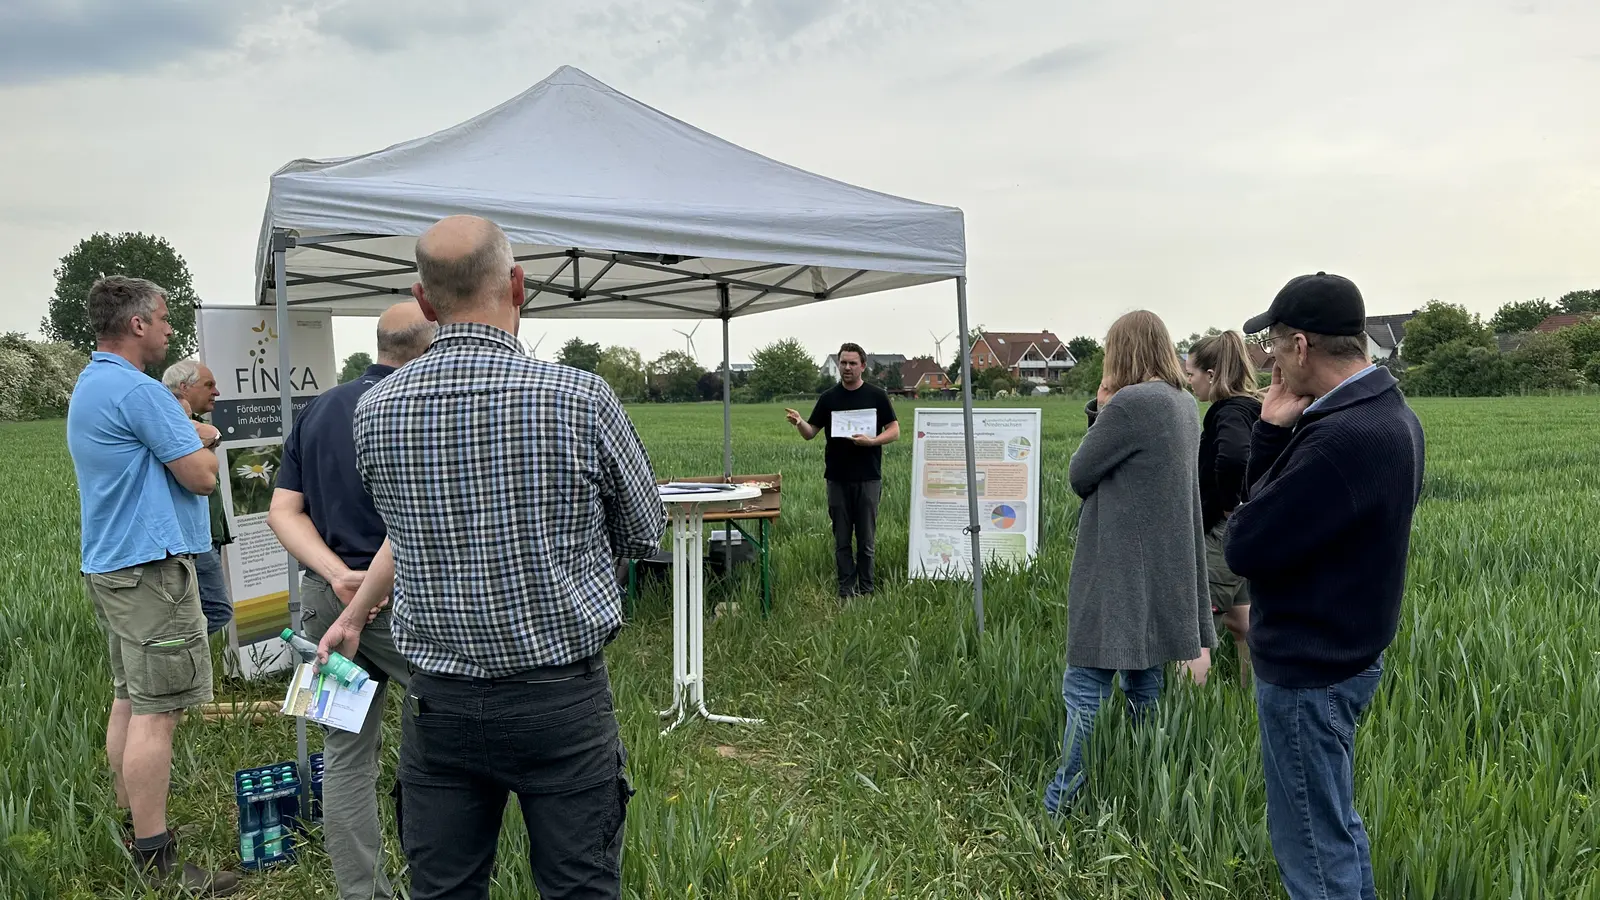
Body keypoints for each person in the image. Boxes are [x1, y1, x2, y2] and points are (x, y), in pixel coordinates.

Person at [314, 215, 665, 900]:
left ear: (423, 301)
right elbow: (643, 528)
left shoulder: (376, 410)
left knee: (444, 890)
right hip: (561, 696)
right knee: (580, 888)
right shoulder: (581, 396)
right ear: (518, 286)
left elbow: (402, 532)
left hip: (440, 702)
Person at [1226, 273, 1424, 900]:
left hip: (1311, 666)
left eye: (1277, 345)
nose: (1271, 360)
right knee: (1334, 828)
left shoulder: (1341, 437)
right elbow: (1268, 518)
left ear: (1303, 346)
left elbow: (1246, 543)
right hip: (1345, 652)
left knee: (1312, 849)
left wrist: (1269, 431)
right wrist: (1278, 432)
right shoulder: (1386, 413)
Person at [65, 276, 241, 895]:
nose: (170, 329)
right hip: (152, 568)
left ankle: (132, 820)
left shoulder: (93, 383)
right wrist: (207, 436)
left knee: (129, 698)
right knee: (158, 714)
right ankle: (157, 860)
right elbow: (197, 478)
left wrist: (185, 433)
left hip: (113, 564)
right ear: (137, 324)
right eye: (164, 319)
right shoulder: (141, 393)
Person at [266, 301, 436, 900]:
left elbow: (282, 511)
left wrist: (339, 576)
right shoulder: (420, 405)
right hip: (404, 602)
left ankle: (359, 893)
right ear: (428, 341)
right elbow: (417, 519)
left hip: (325, 603)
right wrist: (365, 590)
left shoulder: (321, 407)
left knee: (344, 756)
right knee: (442, 743)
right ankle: (441, 880)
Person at [1043, 310, 1213, 815]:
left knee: (1086, 683)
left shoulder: (1131, 403)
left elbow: (1080, 473)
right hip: (1166, 565)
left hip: (1118, 565)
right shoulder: (1184, 403)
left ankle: (1062, 803)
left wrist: (1099, 408)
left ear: (1122, 351)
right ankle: (1141, 781)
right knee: (1145, 681)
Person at [1177, 332, 1262, 687]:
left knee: (1194, 634)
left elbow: (1232, 457)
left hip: (1221, 533)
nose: (1189, 381)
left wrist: (1229, 505)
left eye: (1192, 373)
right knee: (1242, 623)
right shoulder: (1254, 406)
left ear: (1212, 374)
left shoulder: (1226, 411)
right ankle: (1249, 698)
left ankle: (1189, 723)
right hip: (1248, 530)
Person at [784, 343, 899, 598]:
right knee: (842, 541)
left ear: (862, 366)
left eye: (852, 363)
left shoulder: (876, 395)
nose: (847, 368)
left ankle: (867, 589)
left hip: (868, 477)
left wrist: (872, 441)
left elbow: (894, 430)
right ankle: (846, 591)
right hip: (837, 479)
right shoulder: (829, 398)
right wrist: (800, 422)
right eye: (843, 363)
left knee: (866, 541)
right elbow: (810, 433)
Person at [162, 359, 233, 636]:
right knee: (216, 610)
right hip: (191, 538)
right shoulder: (176, 424)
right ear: (184, 388)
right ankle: (179, 667)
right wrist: (212, 437)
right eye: (209, 385)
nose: (216, 392)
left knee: (204, 611)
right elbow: (203, 481)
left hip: (205, 534)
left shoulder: (197, 425)